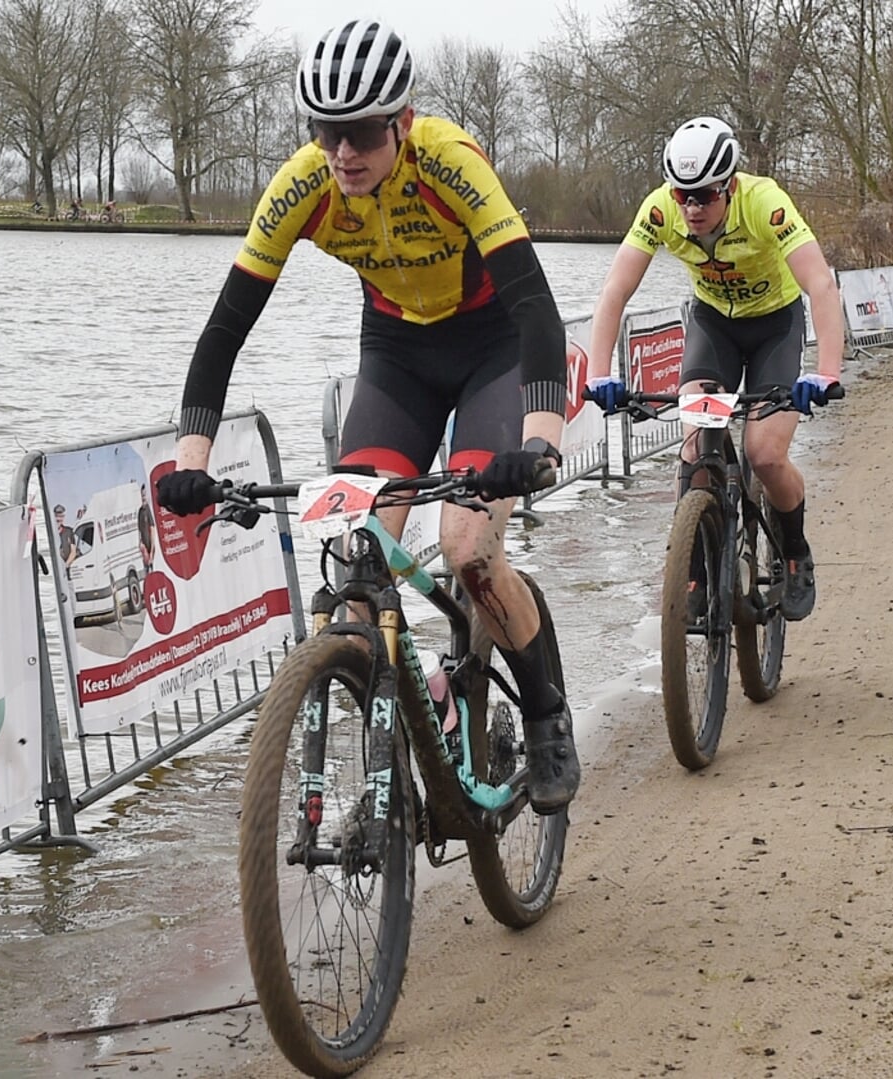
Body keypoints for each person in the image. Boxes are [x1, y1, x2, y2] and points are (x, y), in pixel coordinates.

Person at [153, 19, 580, 811]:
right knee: (356, 549)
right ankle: (415, 712)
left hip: (492, 349)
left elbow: (534, 307)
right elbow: (223, 330)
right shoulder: (303, 184)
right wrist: (191, 461)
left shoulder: (448, 161)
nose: (341, 152)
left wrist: (538, 440)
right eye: (324, 131)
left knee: (465, 546)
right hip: (396, 358)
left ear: (401, 122)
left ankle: (548, 712)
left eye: (358, 134)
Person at [583, 116, 845, 621]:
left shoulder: (765, 203)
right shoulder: (661, 210)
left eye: (704, 195)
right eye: (683, 196)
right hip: (714, 327)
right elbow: (614, 291)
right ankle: (694, 569)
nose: (692, 208)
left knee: (764, 453)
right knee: (697, 440)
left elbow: (820, 285)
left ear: (729, 186)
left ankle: (794, 552)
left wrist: (826, 372)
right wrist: (599, 374)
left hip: (775, 325)